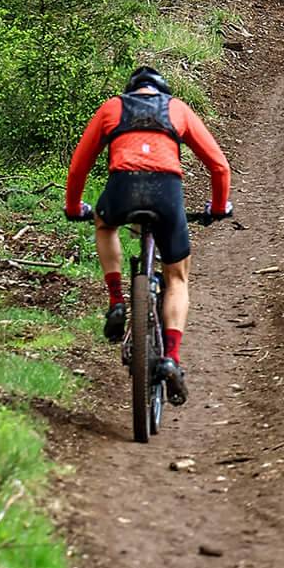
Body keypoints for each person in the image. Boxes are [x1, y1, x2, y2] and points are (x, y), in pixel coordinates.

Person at [65, 66, 232, 405]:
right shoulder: (177, 108)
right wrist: (217, 206)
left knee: (104, 223)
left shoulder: (113, 107)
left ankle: (115, 300)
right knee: (177, 279)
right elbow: (218, 166)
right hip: (166, 193)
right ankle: (171, 356)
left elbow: (78, 166)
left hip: (122, 188)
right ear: (162, 92)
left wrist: (72, 206)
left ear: (131, 91)